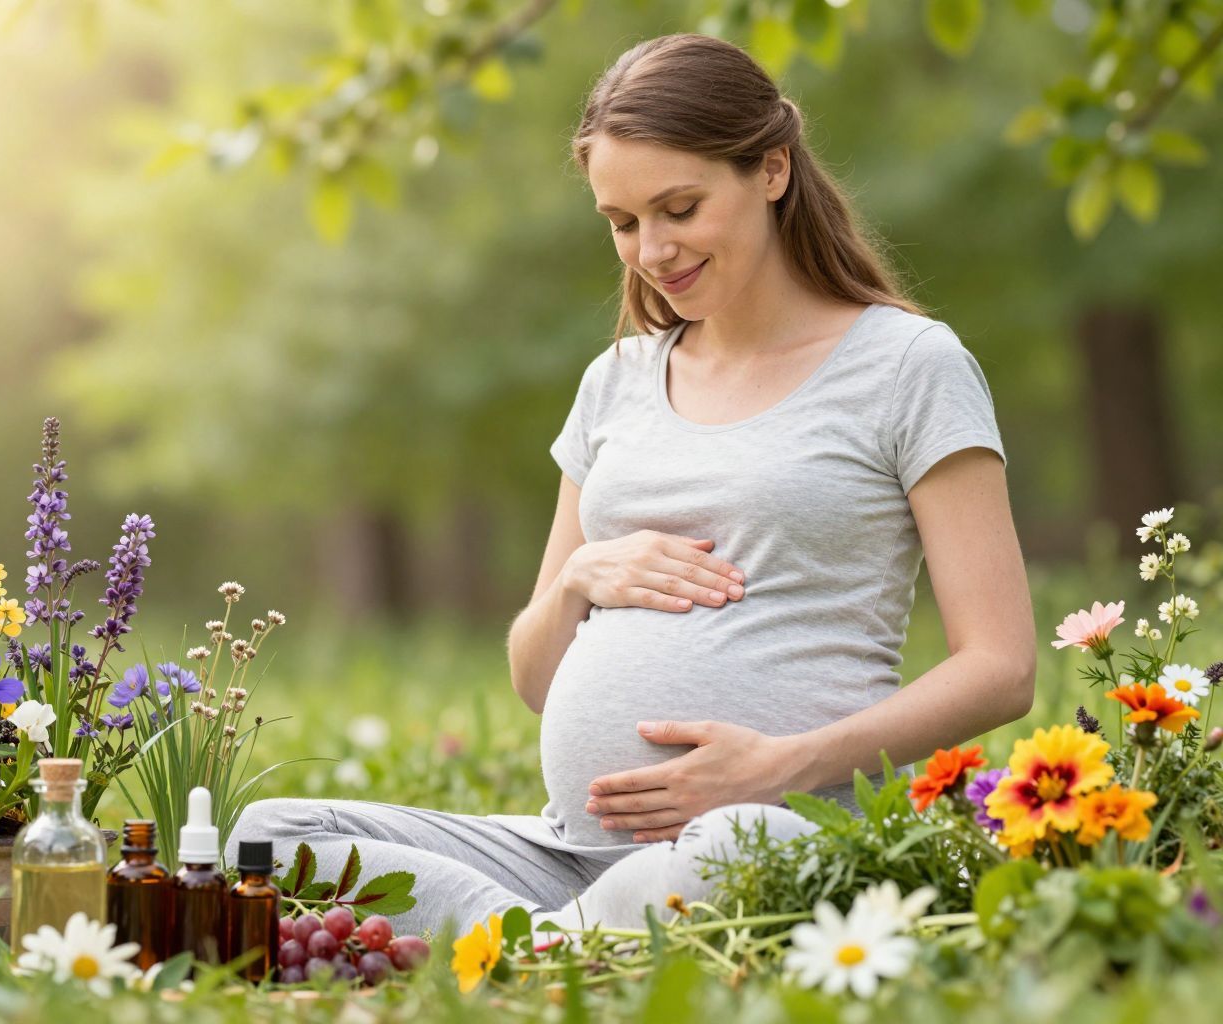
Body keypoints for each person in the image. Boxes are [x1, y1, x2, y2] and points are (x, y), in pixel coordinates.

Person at [226, 33, 1036, 938]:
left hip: (771, 826)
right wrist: (579, 580)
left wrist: (783, 764)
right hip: (566, 846)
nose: (651, 250)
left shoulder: (909, 366)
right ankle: (559, 935)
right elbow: (535, 678)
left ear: (771, 170)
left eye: (679, 208)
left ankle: (512, 940)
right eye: (622, 222)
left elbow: (1001, 669)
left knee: (733, 852)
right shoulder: (615, 381)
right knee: (265, 837)